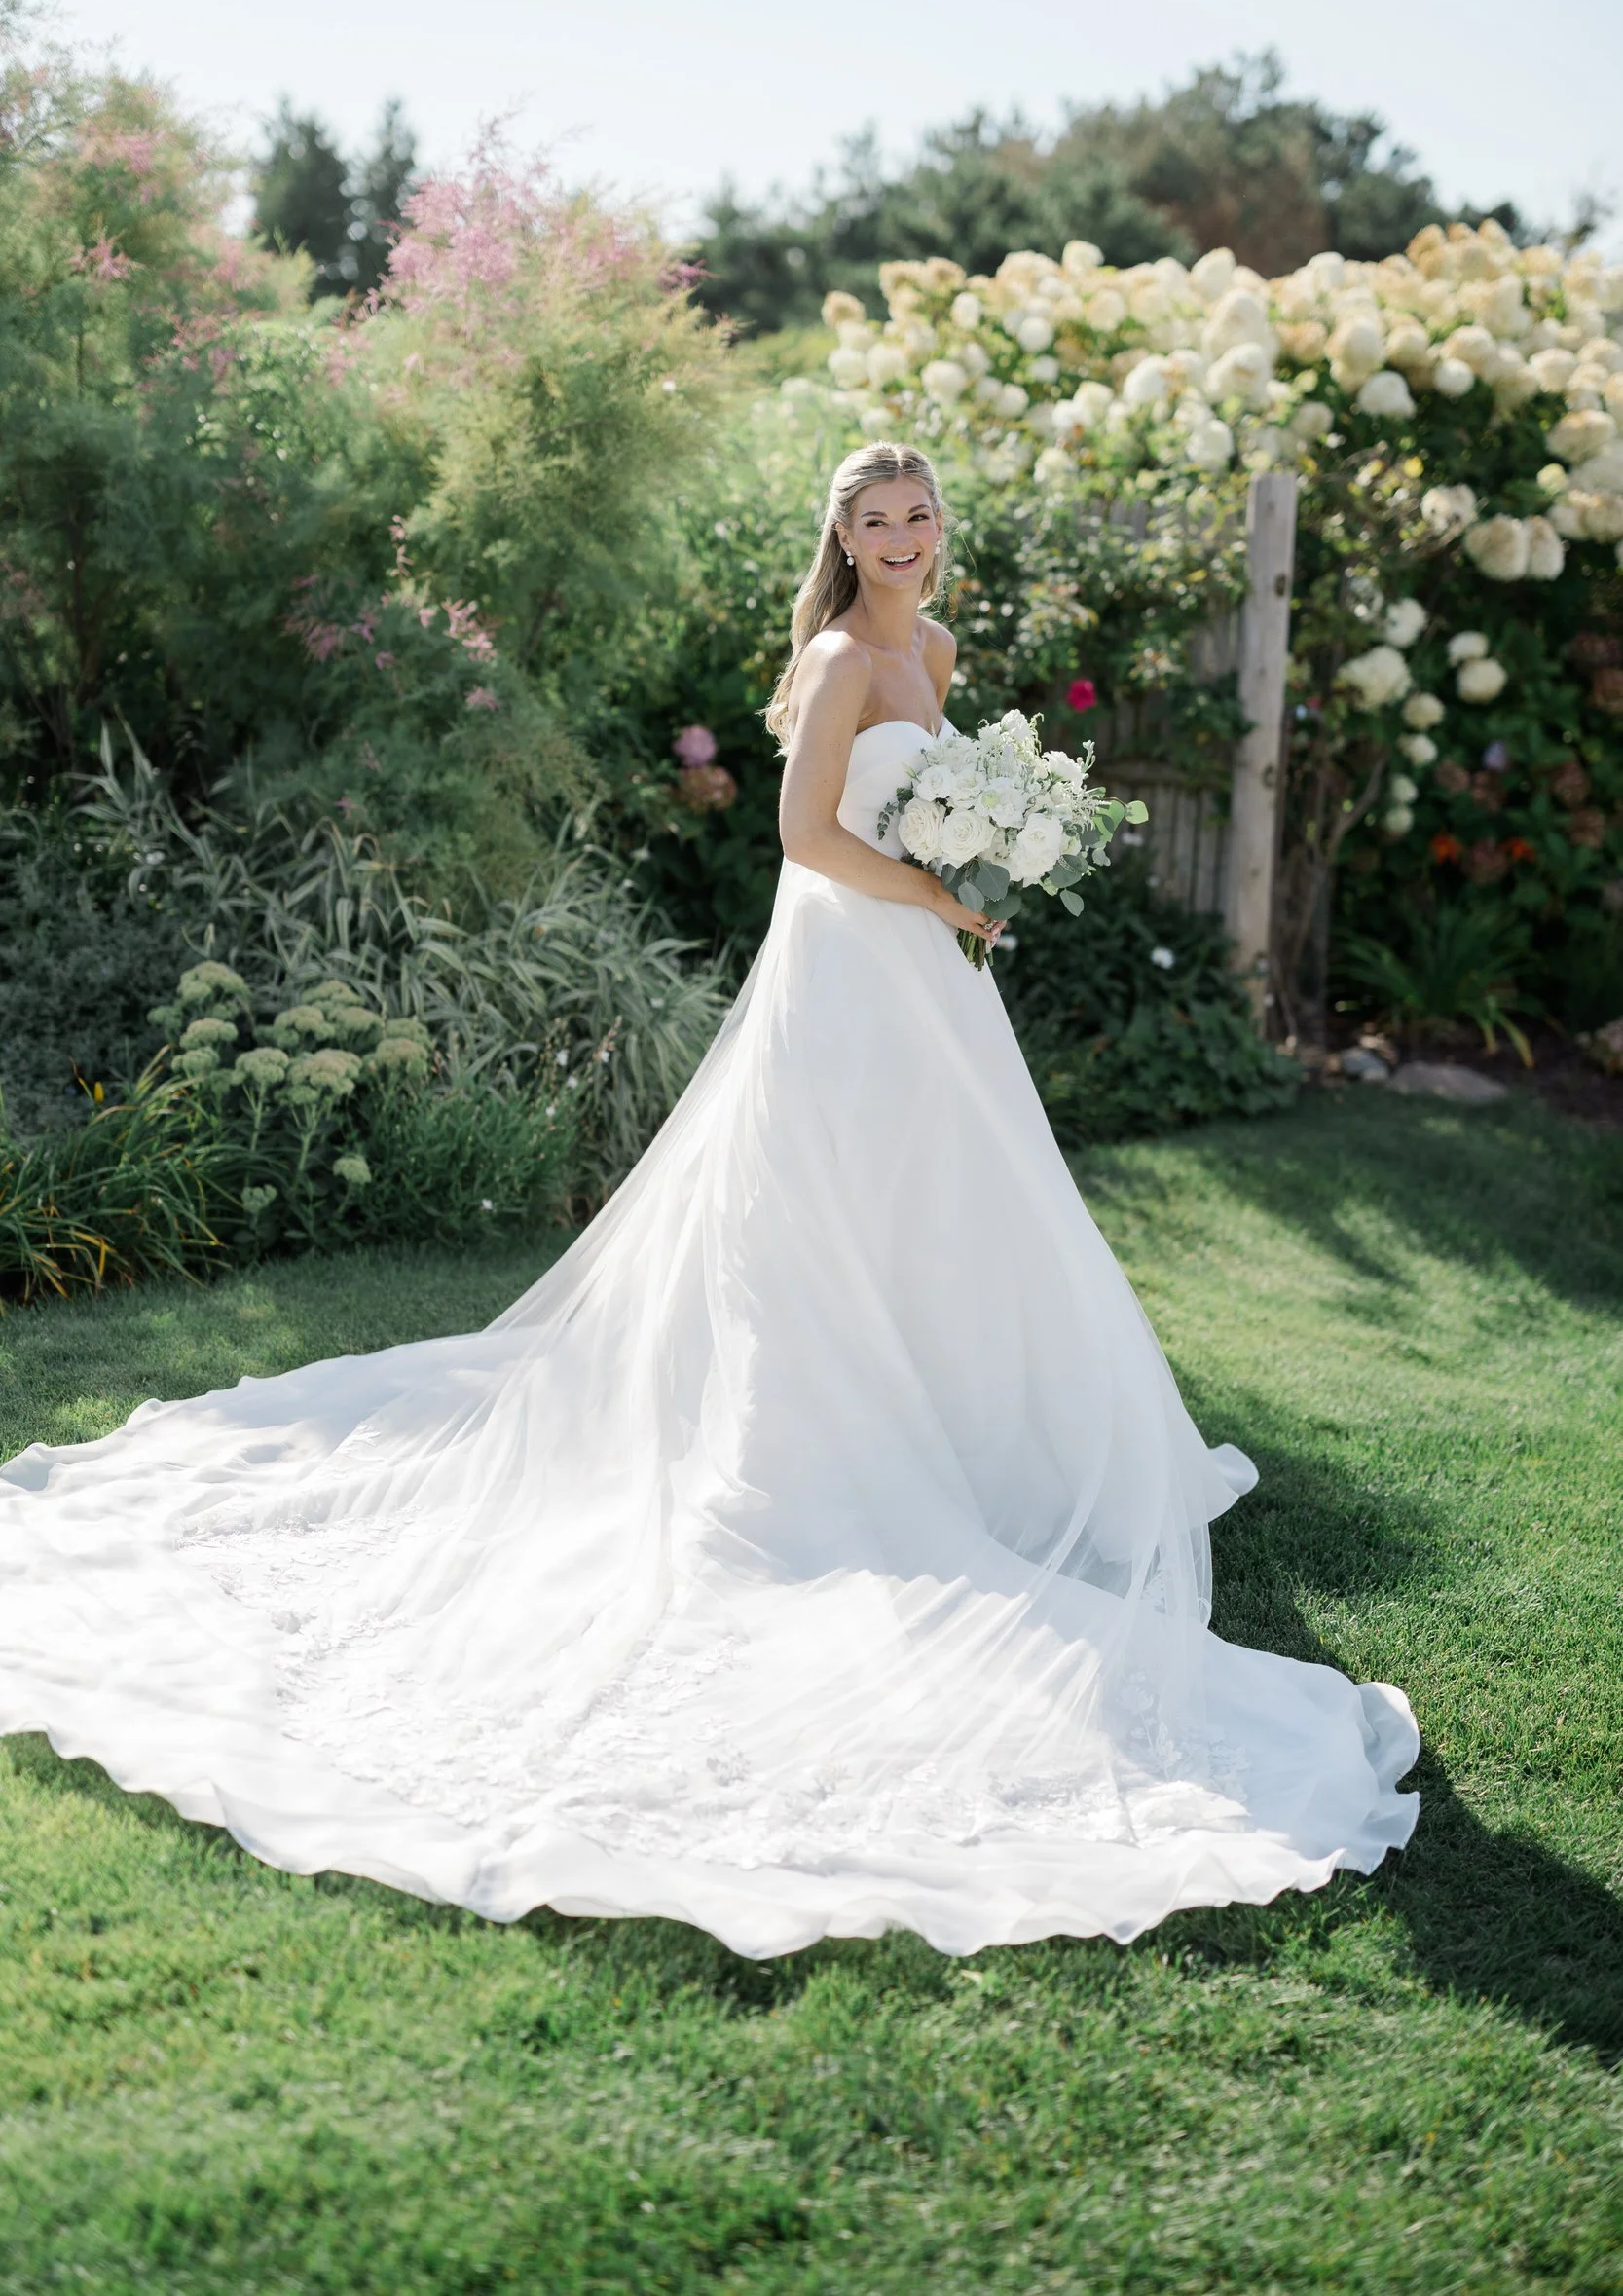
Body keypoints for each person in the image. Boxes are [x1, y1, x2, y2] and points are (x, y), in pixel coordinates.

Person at [0, 441, 1418, 1959]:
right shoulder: (828, 658)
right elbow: (806, 840)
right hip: (847, 970)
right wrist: (944, 891)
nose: (899, 540)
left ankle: (960, 1432)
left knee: (943, 1215)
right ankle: (809, 1457)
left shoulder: (932, 648)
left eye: (918, 515)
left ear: (942, 526)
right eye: (872, 522)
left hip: (929, 983)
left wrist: (983, 856)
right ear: (841, 538)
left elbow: (923, 803)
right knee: (818, 1220)